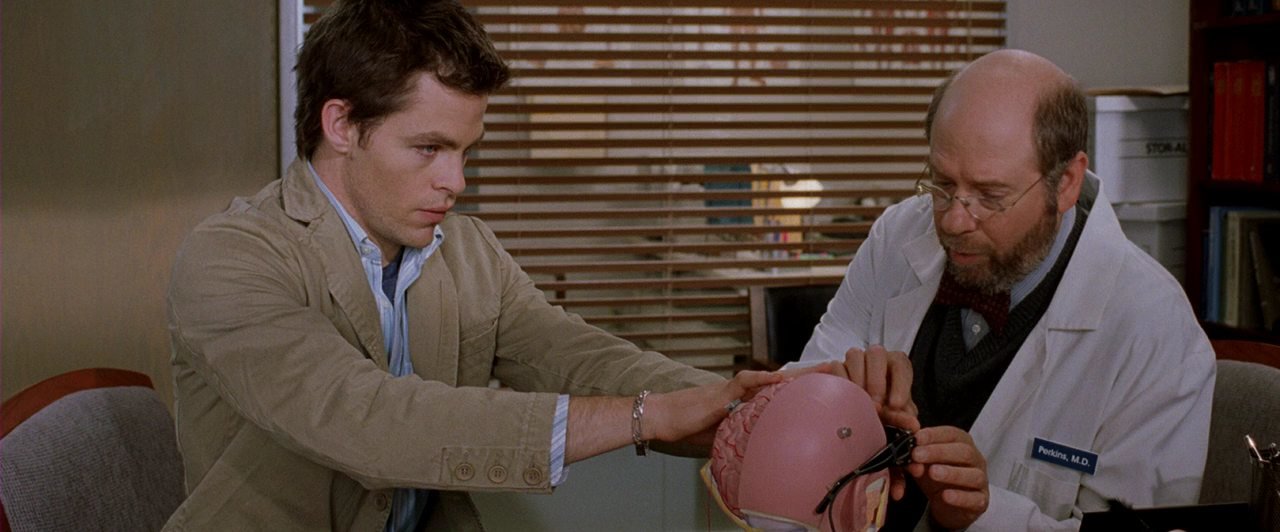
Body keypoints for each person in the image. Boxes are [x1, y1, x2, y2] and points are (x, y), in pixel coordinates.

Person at [162, 2, 795, 530]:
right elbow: (366, 420)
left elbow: (576, 357)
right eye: (429, 148)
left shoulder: (468, 252)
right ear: (343, 125)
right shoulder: (232, 257)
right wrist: (647, 414)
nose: (456, 181)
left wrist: (749, 409)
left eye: (465, 151)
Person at [794, 49, 1216, 531]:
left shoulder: (1154, 329)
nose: (953, 221)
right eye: (942, 183)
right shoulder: (898, 236)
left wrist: (983, 514)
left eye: (991, 196)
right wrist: (845, 404)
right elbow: (801, 402)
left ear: (1066, 183)